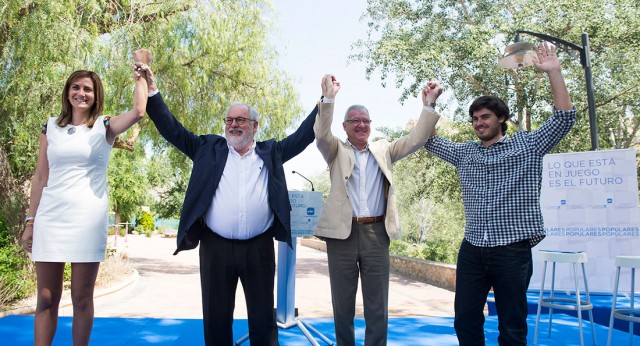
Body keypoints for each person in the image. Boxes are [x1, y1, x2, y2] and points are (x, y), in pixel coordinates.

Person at [142, 66, 321, 346]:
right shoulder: (207, 149)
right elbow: (171, 129)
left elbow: (303, 136)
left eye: (241, 120)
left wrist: (326, 100)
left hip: (258, 248)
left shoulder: (271, 152)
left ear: (255, 126)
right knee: (216, 320)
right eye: (229, 120)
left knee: (263, 321)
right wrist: (152, 90)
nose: (234, 124)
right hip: (216, 248)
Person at [424, 43, 576, 345]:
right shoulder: (465, 153)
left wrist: (554, 72)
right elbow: (429, 141)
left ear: (500, 119)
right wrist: (429, 105)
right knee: (465, 322)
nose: (479, 123)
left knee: (512, 327)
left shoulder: (527, 146)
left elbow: (563, 119)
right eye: (475, 119)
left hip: (512, 252)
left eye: (485, 117)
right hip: (472, 250)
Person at [20, 64, 149, 346]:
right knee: (45, 297)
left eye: (87, 89)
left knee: (81, 297)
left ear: (96, 95)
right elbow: (41, 175)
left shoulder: (105, 126)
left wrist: (141, 75)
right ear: (67, 92)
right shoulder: (49, 127)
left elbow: (139, 111)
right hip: (50, 219)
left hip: (87, 221)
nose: (81, 93)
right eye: (76, 87)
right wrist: (31, 221)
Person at [314, 74, 442, 345]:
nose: (361, 125)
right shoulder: (336, 149)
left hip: (376, 234)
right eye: (355, 121)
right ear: (345, 126)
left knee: (377, 306)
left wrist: (428, 106)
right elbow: (322, 134)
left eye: (366, 121)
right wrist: (328, 99)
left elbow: (417, 138)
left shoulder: (385, 149)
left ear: (371, 125)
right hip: (342, 235)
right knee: (343, 304)